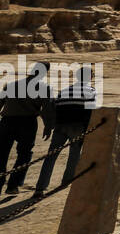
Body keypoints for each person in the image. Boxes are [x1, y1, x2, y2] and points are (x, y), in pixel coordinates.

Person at [33, 66, 97, 197]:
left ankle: (40, 187)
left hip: (60, 126)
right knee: (74, 155)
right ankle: (66, 181)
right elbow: (91, 111)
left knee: (51, 156)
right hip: (78, 127)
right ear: (90, 77)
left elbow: (55, 108)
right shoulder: (91, 91)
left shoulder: (64, 91)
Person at [1, 62, 51, 195]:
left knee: (2, 154)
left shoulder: (12, 85)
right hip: (27, 122)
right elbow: (46, 110)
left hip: (7, 121)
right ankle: (13, 185)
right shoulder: (44, 88)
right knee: (24, 154)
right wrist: (48, 126)